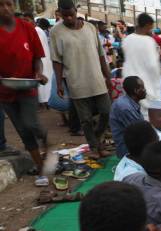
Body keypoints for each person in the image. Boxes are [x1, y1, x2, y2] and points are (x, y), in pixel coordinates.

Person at [51, 0, 113, 160]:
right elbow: (56, 60)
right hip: (76, 81)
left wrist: (108, 77)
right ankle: (94, 147)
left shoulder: (91, 28)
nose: (69, 18)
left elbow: (101, 54)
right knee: (85, 119)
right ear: (59, 13)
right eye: (65, 16)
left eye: (71, 14)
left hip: (96, 79)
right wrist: (59, 83)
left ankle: (97, 141)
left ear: (75, 11)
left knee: (106, 112)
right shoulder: (56, 31)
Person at [0, 0, 48, 186]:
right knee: (22, 131)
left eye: (9, 4)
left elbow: (37, 58)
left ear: (14, 6)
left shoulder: (27, 28)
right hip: (4, 91)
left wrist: (39, 73)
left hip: (28, 87)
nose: (5, 8)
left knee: (30, 123)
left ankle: (43, 135)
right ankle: (41, 170)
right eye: (1, 4)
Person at [121, 13, 161, 101]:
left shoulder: (126, 40)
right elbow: (153, 65)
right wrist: (157, 83)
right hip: (145, 87)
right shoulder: (149, 41)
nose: (151, 30)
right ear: (147, 25)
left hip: (129, 85)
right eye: (151, 27)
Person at [109, 76, 146, 158]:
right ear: (136, 91)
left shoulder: (128, 102)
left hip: (131, 145)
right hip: (128, 151)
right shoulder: (125, 107)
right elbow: (139, 132)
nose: (145, 90)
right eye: (143, 88)